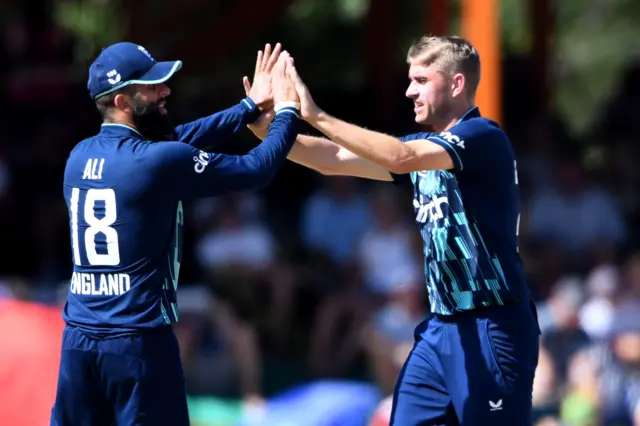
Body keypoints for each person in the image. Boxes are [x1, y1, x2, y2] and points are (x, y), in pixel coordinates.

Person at [246, 35, 540, 425]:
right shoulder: (423, 146)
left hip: (493, 324)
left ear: (456, 83)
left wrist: (315, 113)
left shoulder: (484, 137)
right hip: (441, 327)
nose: (409, 90)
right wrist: (266, 126)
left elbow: (401, 159)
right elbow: (332, 159)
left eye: (420, 79)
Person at [50, 41, 300, 426]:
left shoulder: (78, 156)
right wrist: (286, 110)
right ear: (123, 101)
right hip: (137, 342)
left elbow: (174, 143)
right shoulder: (157, 161)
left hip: (79, 342)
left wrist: (247, 109)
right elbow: (257, 168)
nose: (165, 90)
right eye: (152, 86)